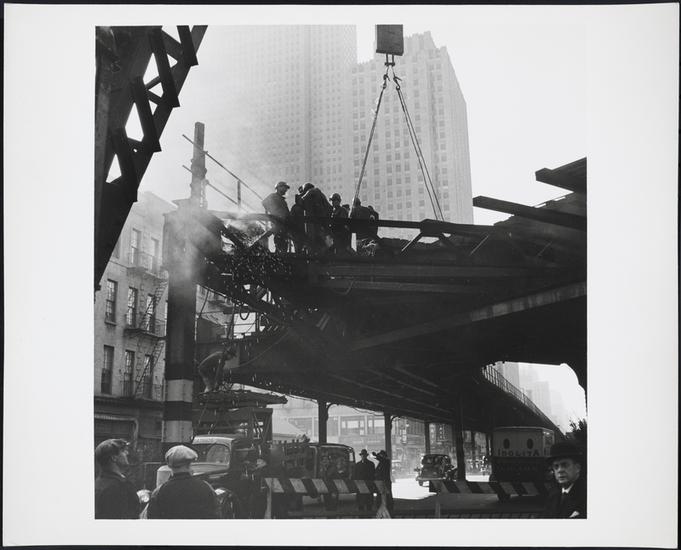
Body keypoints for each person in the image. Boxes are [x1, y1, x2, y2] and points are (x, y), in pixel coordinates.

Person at [147, 445, 219, 519]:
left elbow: (152, 519)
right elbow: (216, 516)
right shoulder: (206, 487)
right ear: (189, 464)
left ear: (169, 465)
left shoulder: (159, 492)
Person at [94, 439, 140, 519]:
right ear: (114, 458)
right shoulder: (119, 487)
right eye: (123, 451)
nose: (127, 453)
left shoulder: (98, 483)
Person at [542, 441, 586, 519]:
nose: (560, 470)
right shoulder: (553, 495)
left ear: (577, 468)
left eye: (565, 465)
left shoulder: (586, 495)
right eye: (556, 466)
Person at [300, 182, 332, 251]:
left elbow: (302, 201)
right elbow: (330, 208)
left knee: (315, 243)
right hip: (323, 223)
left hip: (315, 224)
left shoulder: (311, 191)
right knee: (324, 243)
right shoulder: (321, 194)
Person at [261, 181, 290, 253]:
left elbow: (286, 211)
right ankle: (279, 256)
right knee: (279, 241)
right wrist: (274, 211)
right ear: (278, 188)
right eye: (284, 187)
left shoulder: (282, 200)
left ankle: (281, 255)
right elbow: (264, 203)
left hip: (283, 223)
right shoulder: (273, 196)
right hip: (277, 223)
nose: (285, 190)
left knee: (283, 242)